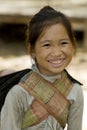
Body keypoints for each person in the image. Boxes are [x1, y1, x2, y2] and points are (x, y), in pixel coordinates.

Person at [1, 6, 84, 130]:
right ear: (32, 50)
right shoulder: (18, 93)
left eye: (63, 43)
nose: (56, 52)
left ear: (73, 44)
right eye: (47, 45)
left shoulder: (75, 91)